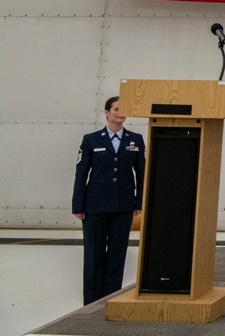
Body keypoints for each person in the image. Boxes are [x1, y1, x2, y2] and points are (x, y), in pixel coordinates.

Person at [72, 96, 145, 305]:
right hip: (95, 207)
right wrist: (78, 205)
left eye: (123, 109)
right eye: (115, 109)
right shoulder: (91, 140)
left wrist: (138, 203)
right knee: (93, 254)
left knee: (117, 254)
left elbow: (141, 174)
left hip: (122, 206)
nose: (119, 113)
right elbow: (81, 174)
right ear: (106, 113)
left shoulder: (135, 140)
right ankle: (92, 301)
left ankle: (111, 298)